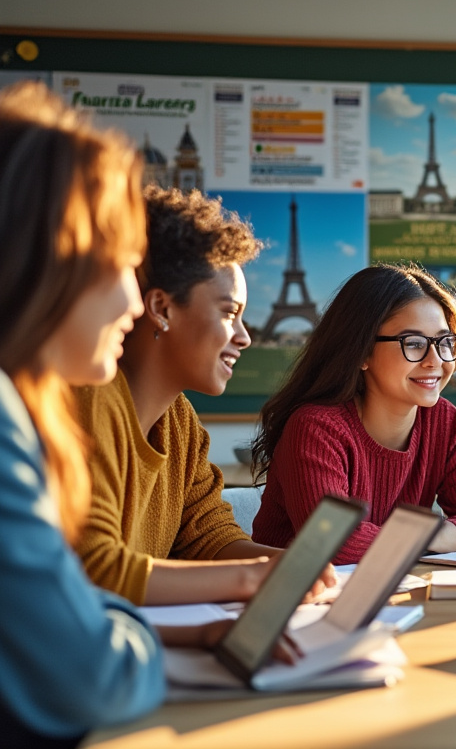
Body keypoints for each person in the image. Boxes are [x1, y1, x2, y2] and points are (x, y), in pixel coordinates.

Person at [0, 81, 290, 747]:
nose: (131, 299)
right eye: (115, 263)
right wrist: (198, 621)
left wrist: (207, 617)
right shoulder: (36, 413)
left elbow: (78, 600)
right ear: (50, 261)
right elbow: (83, 659)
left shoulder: (33, 407)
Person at [73, 185, 334, 606]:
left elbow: (208, 538)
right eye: (229, 313)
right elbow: (94, 570)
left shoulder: (180, 422)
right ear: (161, 308)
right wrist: (255, 579)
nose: (245, 337)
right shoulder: (86, 403)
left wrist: (297, 571)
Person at [250, 264, 456, 564]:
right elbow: (332, 542)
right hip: (301, 600)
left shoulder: (443, 420)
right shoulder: (315, 428)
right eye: (413, 343)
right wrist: (433, 538)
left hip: (393, 591)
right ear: (361, 353)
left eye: (444, 342)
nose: (435, 361)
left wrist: (428, 536)